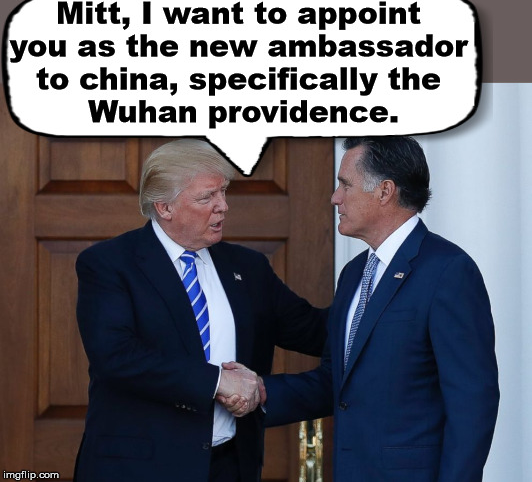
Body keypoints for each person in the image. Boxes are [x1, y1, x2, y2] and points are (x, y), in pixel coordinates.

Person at [73, 139, 328, 482]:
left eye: (223, 192)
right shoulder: (110, 264)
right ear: (165, 207)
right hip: (139, 468)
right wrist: (218, 381)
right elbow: (116, 357)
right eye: (207, 197)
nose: (223, 206)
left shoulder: (248, 268)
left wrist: (379, 293)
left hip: (230, 466)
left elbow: (315, 332)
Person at [260, 136, 499, 481]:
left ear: (385, 191)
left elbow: (472, 402)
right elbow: (336, 382)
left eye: (345, 185)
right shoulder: (354, 273)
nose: (335, 197)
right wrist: (258, 394)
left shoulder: (448, 271)